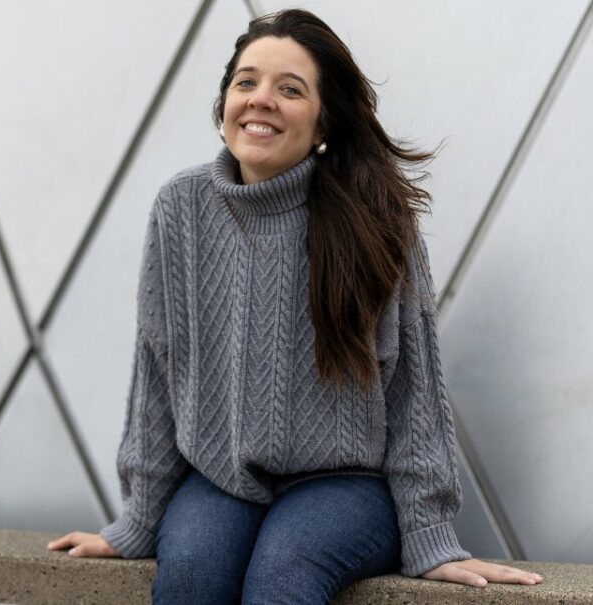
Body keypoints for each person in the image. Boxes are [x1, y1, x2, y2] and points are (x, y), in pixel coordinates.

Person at [47, 8, 544, 604]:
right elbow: (158, 372)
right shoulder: (180, 209)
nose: (261, 99)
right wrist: (137, 521)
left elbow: (413, 390)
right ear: (225, 104)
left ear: (322, 121)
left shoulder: (375, 219)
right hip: (222, 477)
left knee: (283, 574)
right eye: (246, 82)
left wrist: (429, 535)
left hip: (346, 484)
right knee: (191, 578)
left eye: (290, 89)